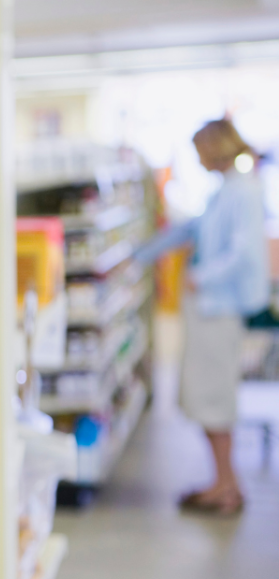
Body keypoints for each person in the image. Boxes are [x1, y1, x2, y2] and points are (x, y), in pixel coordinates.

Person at [136, 118, 269, 516]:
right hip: (209, 308)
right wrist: (141, 254)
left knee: (214, 399)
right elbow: (194, 229)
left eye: (199, 150)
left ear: (214, 147)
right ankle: (223, 482)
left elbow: (243, 253)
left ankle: (227, 489)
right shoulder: (226, 189)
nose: (196, 158)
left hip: (218, 307)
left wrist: (200, 276)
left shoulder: (243, 191)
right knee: (207, 397)